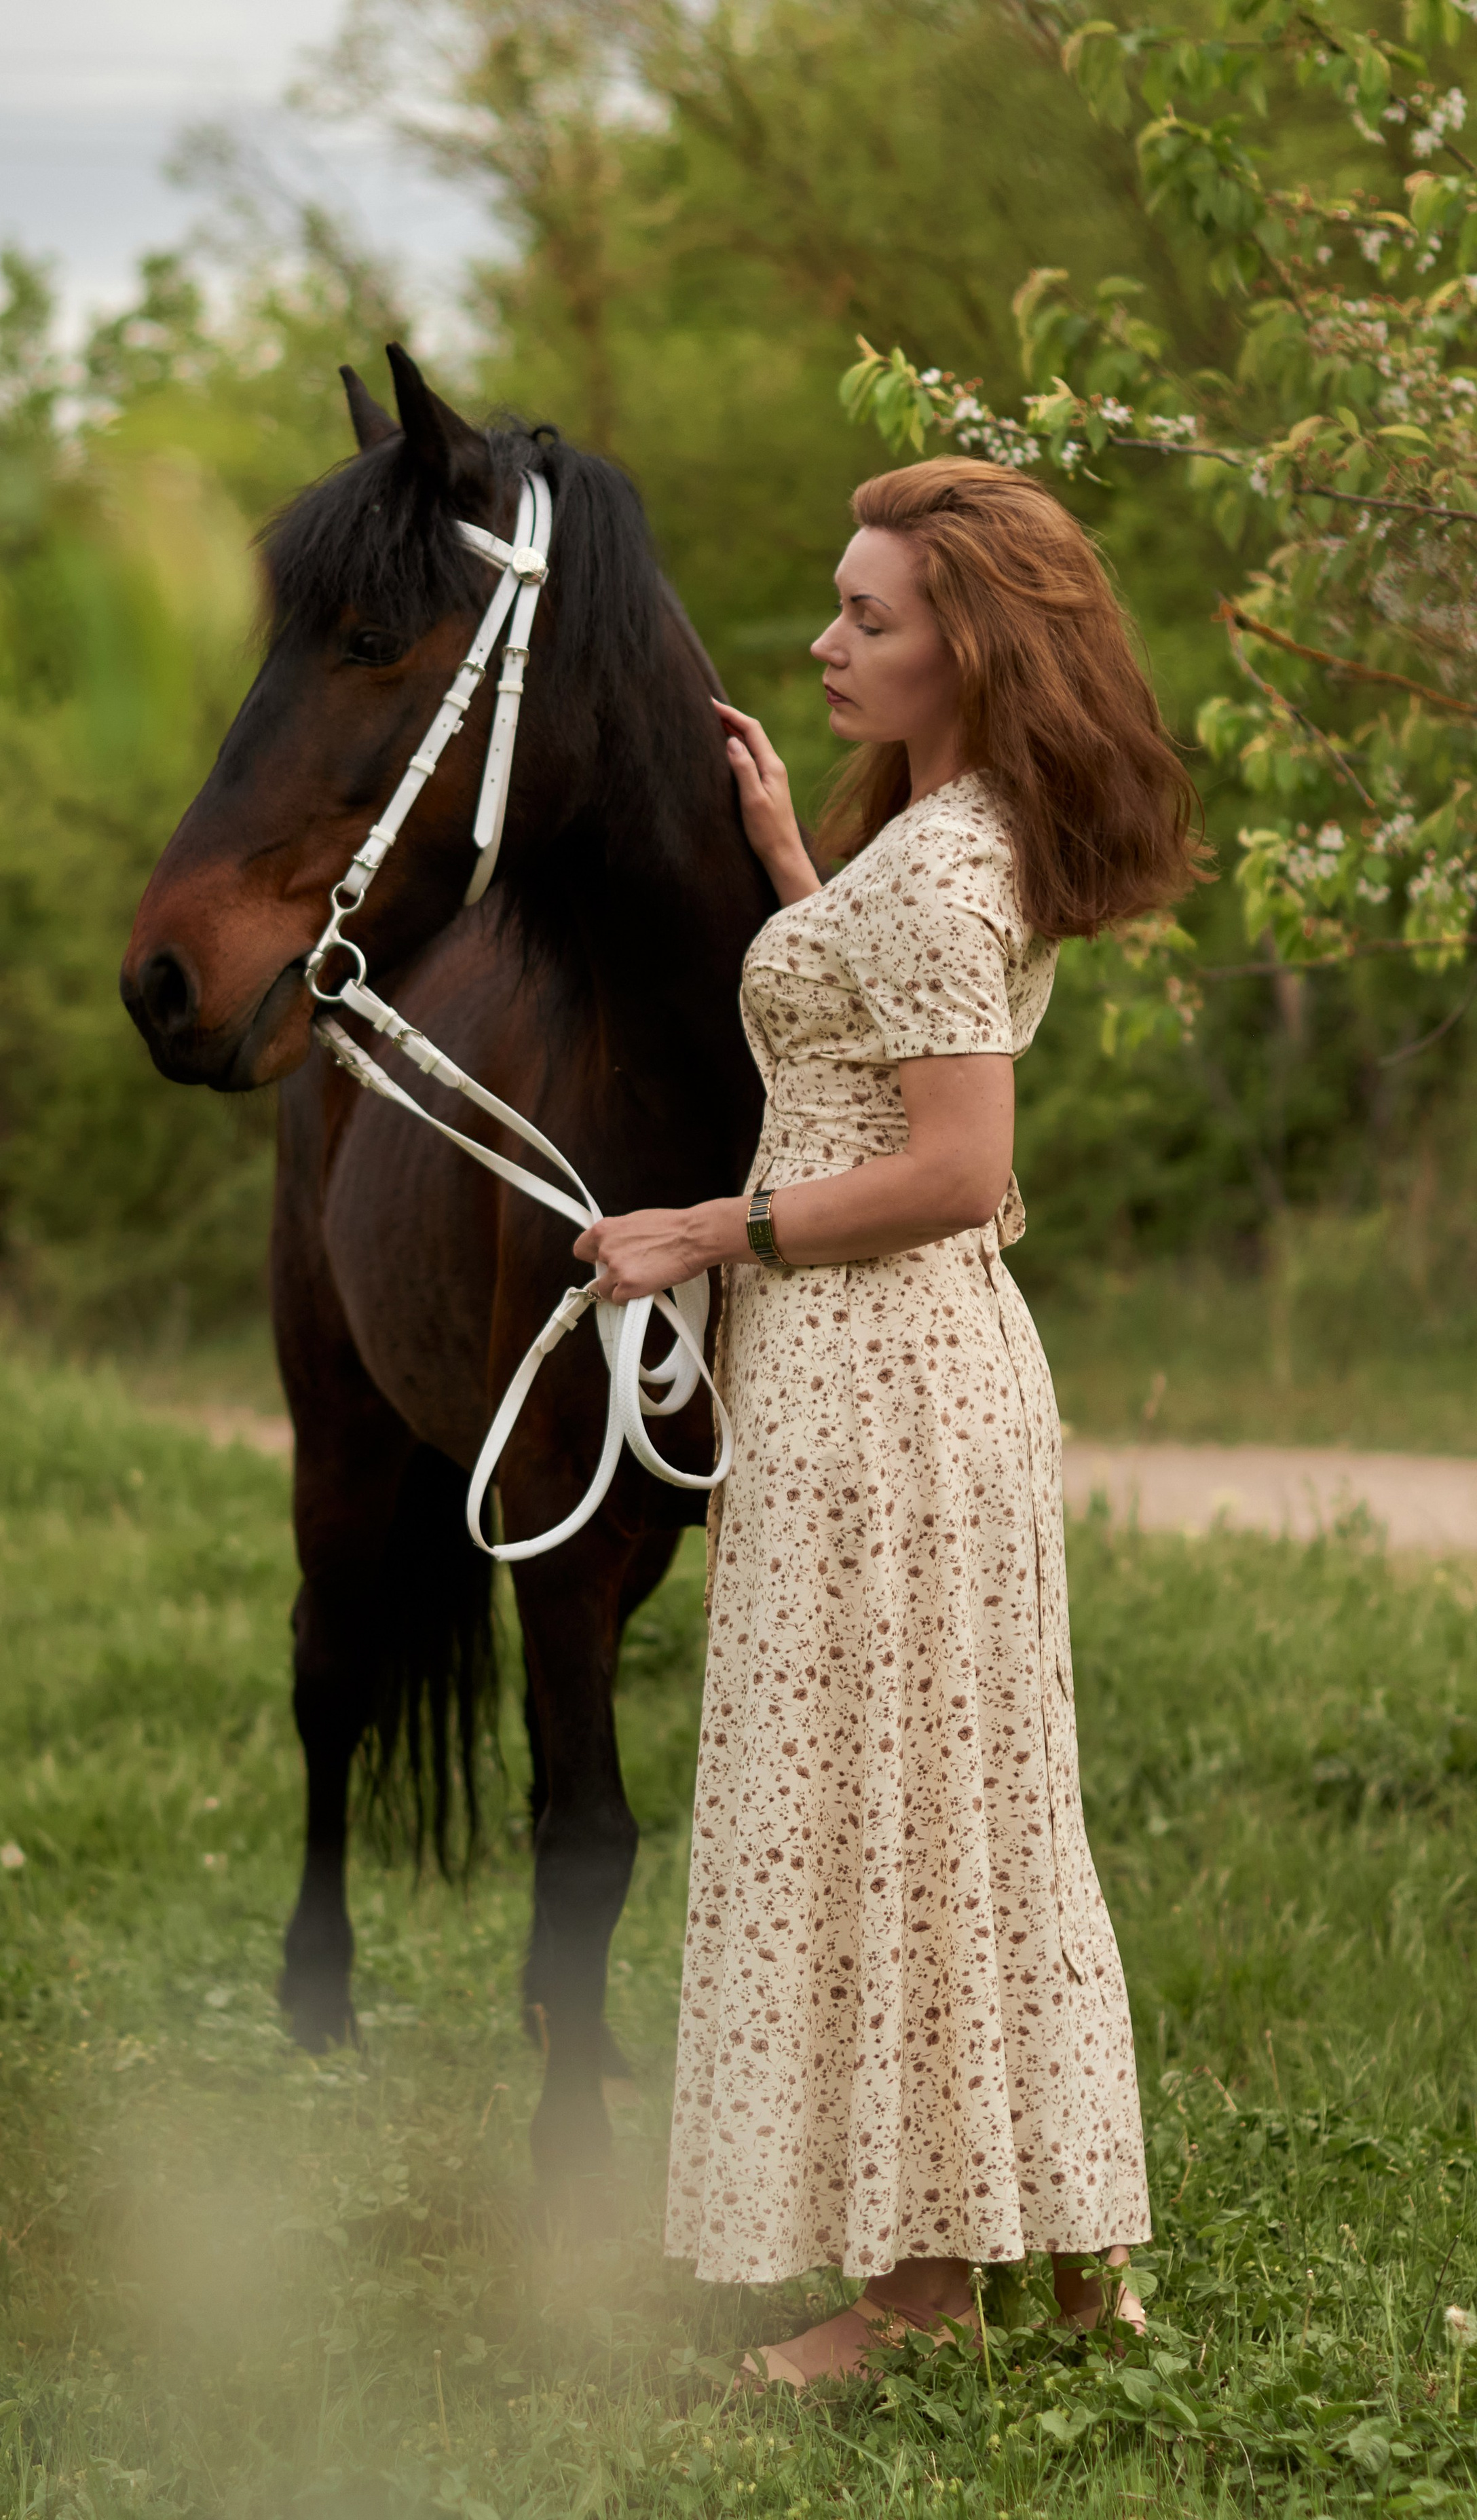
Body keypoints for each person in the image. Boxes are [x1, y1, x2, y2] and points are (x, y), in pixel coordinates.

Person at [574, 456, 1201, 2388]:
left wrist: (706, 1223)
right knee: (955, 1809)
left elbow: (952, 1165)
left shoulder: (948, 861)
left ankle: (920, 2295)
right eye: (840, 606)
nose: (830, 642)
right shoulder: (949, 838)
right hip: (900, 1379)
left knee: (895, 1818)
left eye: (873, 618)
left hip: (886, 1379)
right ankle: (1070, 2253)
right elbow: (880, 1017)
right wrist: (787, 861)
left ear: (971, 647)